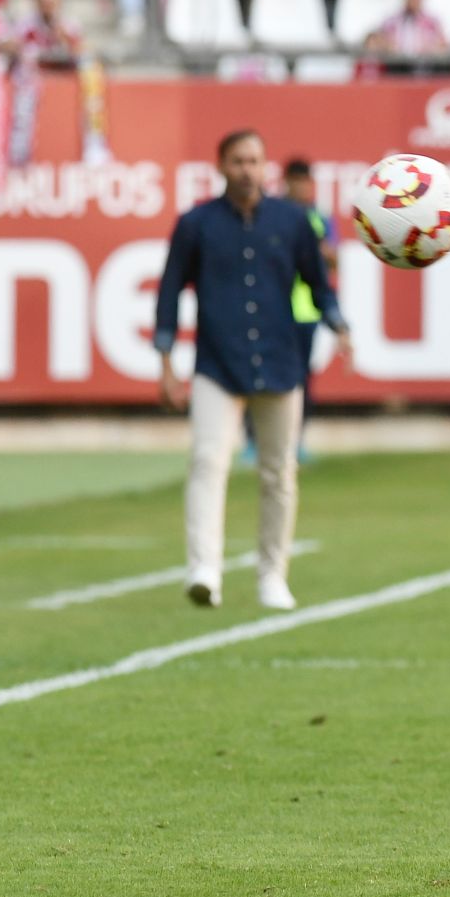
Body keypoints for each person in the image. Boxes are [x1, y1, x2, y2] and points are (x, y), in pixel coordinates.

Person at [154, 130, 353, 611]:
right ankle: (204, 569)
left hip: (281, 361)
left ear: (267, 168)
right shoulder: (196, 223)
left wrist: (338, 322)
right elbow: (169, 291)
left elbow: (317, 281)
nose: (248, 170)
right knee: (207, 460)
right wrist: (165, 360)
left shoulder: (292, 221)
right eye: (239, 161)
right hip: (217, 362)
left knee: (279, 472)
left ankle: (273, 576)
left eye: (256, 161)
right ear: (221, 165)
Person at [281, 159, 337, 463]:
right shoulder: (273, 214)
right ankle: (255, 441)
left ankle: (298, 441)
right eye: (297, 180)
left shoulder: (319, 219)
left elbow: (333, 261)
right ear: (286, 181)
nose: (302, 187)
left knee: (302, 379)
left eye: (306, 182)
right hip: (274, 311)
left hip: (306, 311)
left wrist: (319, 251)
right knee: (263, 379)